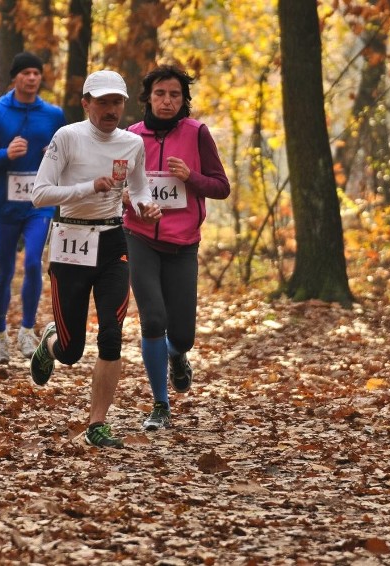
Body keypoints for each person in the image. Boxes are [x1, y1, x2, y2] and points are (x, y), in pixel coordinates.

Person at [30, 70, 162, 448]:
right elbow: (39, 194)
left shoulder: (131, 143)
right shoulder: (67, 137)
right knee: (71, 352)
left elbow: (138, 188)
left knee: (111, 334)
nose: (110, 110)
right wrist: (89, 187)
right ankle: (50, 344)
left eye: (117, 102)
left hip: (112, 241)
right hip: (70, 240)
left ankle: (97, 424)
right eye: (102, 102)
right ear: (86, 103)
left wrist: (146, 206)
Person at [123, 65, 230, 431]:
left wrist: (191, 177)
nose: (167, 101)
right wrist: (129, 200)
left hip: (184, 243)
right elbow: (114, 190)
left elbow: (220, 187)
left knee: (182, 334)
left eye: (174, 95)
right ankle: (160, 405)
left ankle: (176, 355)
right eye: (159, 94)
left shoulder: (197, 133)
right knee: (153, 319)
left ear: (184, 100)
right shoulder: (130, 137)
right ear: (147, 98)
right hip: (139, 237)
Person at [0, 52, 66, 363]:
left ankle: (27, 330)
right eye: (25, 73)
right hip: (5, 205)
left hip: (40, 203)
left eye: (36, 73)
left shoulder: (53, 115)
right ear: (14, 78)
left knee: (34, 263)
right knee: (6, 270)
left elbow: (66, 155)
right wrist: (4, 154)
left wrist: (53, 154)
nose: (32, 78)